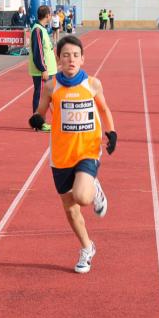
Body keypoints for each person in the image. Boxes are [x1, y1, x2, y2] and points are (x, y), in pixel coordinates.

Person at [27, 35, 117, 274]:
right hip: (61, 154)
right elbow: (41, 112)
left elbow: (105, 109)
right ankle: (87, 248)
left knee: (83, 197)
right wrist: (37, 119)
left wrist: (112, 132)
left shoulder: (92, 84)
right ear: (58, 59)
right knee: (70, 208)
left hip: (87, 149)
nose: (71, 60)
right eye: (66, 55)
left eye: (75, 55)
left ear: (83, 59)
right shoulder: (51, 86)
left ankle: (94, 188)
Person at [29, 5, 57, 131]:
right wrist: (43, 69)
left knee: (49, 97)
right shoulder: (37, 30)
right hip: (42, 72)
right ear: (47, 16)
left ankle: (48, 121)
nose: (51, 16)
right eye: (50, 14)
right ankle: (38, 123)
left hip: (48, 71)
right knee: (40, 96)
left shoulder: (42, 29)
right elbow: (38, 53)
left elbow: (46, 50)